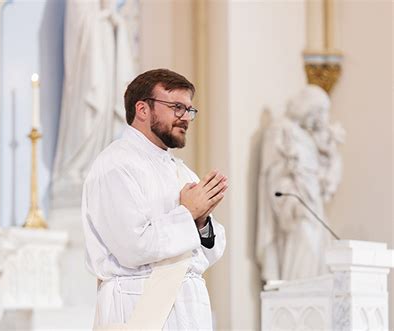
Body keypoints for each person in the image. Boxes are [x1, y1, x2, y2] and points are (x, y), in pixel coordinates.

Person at [82, 69, 227, 329]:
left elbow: (206, 255)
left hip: (188, 309)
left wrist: (202, 221)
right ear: (142, 109)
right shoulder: (115, 165)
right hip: (138, 305)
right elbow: (133, 246)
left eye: (189, 110)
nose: (185, 118)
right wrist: (187, 214)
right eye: (176, 107)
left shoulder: (181, 171)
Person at [257, 85, 344, 282]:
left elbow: (321, 174)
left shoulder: (306, 136)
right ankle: (296, 292)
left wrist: (330, 152)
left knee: (318, 253)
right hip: (296, 205)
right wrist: (291, 201)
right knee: (304, 245)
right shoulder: (280, 129)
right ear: (307, 107)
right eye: (317, 113)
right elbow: (273, 173)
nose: (318, 119)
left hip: (313, 203)